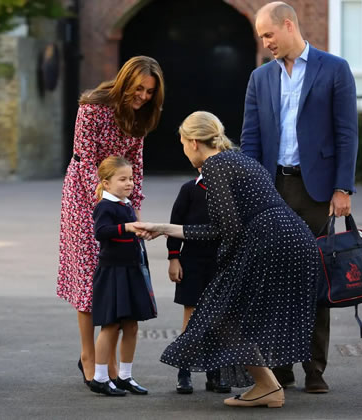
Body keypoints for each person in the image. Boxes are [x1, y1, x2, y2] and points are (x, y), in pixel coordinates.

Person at [135, 111, 319, 408]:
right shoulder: (240, 159)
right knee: (237, 316)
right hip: (294, 238)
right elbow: (227, 225)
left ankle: (267, 386)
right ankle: (268, 386)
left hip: (267, 243)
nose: (183, 151)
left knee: (221, 315)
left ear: (194, 142)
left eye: (182, 143)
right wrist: (164, 229)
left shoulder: (214, 166)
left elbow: (225, 230)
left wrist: (222, 269)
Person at [240, 1, 358, 393]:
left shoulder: (334, 68)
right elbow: (251, 138)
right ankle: (280, 368)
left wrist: (342, 188)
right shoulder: (259, 78)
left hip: (316, 192)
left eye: (268, 34)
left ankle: (315, 371)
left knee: (313, 277)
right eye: (262, 37)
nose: (265, 43)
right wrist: (250, 191)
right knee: (273, 280)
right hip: (273, 188)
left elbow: (346, 133)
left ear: (288, 25)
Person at [57, 56, 164, 386]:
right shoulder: (92, 106)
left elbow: (137, 166)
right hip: (84, 195)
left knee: (118, 278)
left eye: (150, 92)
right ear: (125, 81)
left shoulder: (141, 115)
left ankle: (111, 364)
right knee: (92, 278)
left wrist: (134, 208)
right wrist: (108, 203)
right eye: (140, 88)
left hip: (120, 198)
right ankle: (88, 357)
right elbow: (87, 161)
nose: (144, 96)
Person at [89, 156, 156, 396]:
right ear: (106, 183)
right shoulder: (104, 206)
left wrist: (141, 233)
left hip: (132, 270)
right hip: (113, 272)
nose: (130, 183)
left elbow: (129, 235)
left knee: (132, 325)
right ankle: (99, 377)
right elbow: (101, 232)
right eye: (123, 179)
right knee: (111, 325)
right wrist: (127, 228)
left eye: (131, 178)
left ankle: (125, 376)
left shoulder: (125, 204)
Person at [167, 168, 230, 395]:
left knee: (218, 318)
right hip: (192, 261)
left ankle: (215, 372)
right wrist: (174, 257)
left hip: (221, 261)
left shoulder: (230, 191)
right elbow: (175, 224)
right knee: (191, 316)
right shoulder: (190, 190)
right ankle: (184, 371)